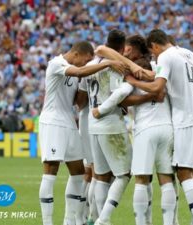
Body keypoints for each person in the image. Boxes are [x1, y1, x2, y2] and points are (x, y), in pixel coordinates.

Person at [125, 29, 193, 225]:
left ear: (154, 45)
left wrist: (133, 80)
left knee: (184, 173)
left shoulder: (165, 57)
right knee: (189, 173)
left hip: (184, 118)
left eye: (152, 52)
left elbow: (157, 88)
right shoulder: (187, 52)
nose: (154, 56)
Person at [38, 40, 125, 225]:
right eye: (85, 60)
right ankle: (47, 222)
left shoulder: (77, 71)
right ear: (76, 54)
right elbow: (78, 71)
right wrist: (107, 62)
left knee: (78, 172)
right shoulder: (56, 64)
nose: (85, 64)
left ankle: (69, 221)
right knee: (50, 171)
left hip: (69, 122)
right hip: (52, 122)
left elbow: (78, 101)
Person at [94, 35, 177, 225]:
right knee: (166, 178)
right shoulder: (160, 68)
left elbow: (122, 97)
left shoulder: (131, 75)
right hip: (166, 127)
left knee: (141, 178)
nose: (125, 54)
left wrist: (101, 109)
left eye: (129, 51)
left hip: (145, 129)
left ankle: (140, 222)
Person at [78, 30, 132, 225]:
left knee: (100, 177)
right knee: (124, 174)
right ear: (120, 48)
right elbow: (118, 94)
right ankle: (103, 219)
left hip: (92, 126)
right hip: (110, 124)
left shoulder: (90, 66)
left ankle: (99, 219)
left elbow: (81, 99)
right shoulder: (115, 67)